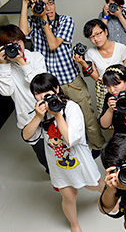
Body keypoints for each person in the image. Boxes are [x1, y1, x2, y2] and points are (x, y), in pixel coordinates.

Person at [18, 0, 106, 154]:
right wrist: (24, 3)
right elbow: (22, 34)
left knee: (86, 114)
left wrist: (44, 19)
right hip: (50, 84)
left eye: (50, 3)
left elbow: (53, 44)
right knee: (57, 117)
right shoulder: (34, 22)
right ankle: (69, 147)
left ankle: (98, 146)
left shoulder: (65, 21)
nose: (47, 8)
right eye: (42, 4)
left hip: (70, 80)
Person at [23, 73, 104, 232]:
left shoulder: (71, 107)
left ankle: (114, 196)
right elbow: (27, 136)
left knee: (94, 185)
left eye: (46, 91)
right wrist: (38, 117)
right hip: (58, 165)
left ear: (56, 89)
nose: (41, 96)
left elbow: (70, 139)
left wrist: (57, 114)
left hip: (79, 160)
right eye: (37, 93)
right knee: (69, 196)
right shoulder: (40, 112)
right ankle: (74, 225)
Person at [0, 24, 48, 171]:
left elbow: (41, 85)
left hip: (47, 112)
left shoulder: (35, 57)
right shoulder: (4, 67)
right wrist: (3, 65)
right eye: (9, 45)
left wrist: (22, 63)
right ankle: (51, 173)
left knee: (58, 146)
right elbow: (6, 91)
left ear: (23, 40)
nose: (15, 47)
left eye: (17, 42)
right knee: (41, 153)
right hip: (27, 118)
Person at [73, 19, 126, 116]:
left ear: (106, 32)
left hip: (122, 89)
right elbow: (95, 77)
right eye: (91, 37)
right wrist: (83, 63)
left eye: (98, 34)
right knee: (109, 120)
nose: (96, 39)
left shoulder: (121, 48)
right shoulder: (90, 53)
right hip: (103, 90)